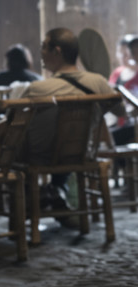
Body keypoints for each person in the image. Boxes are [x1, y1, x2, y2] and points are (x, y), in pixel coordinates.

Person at [18, 27, 125, 221]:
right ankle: (56, 190)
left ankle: (33, 200)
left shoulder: (37, 89)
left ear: (57, 51)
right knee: (66, 145)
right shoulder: (98, 82)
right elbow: (121, 112)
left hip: (41, 157)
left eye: (44, 47)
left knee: (8, 147)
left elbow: (13, 120)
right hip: (82, 153)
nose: (40, 53)